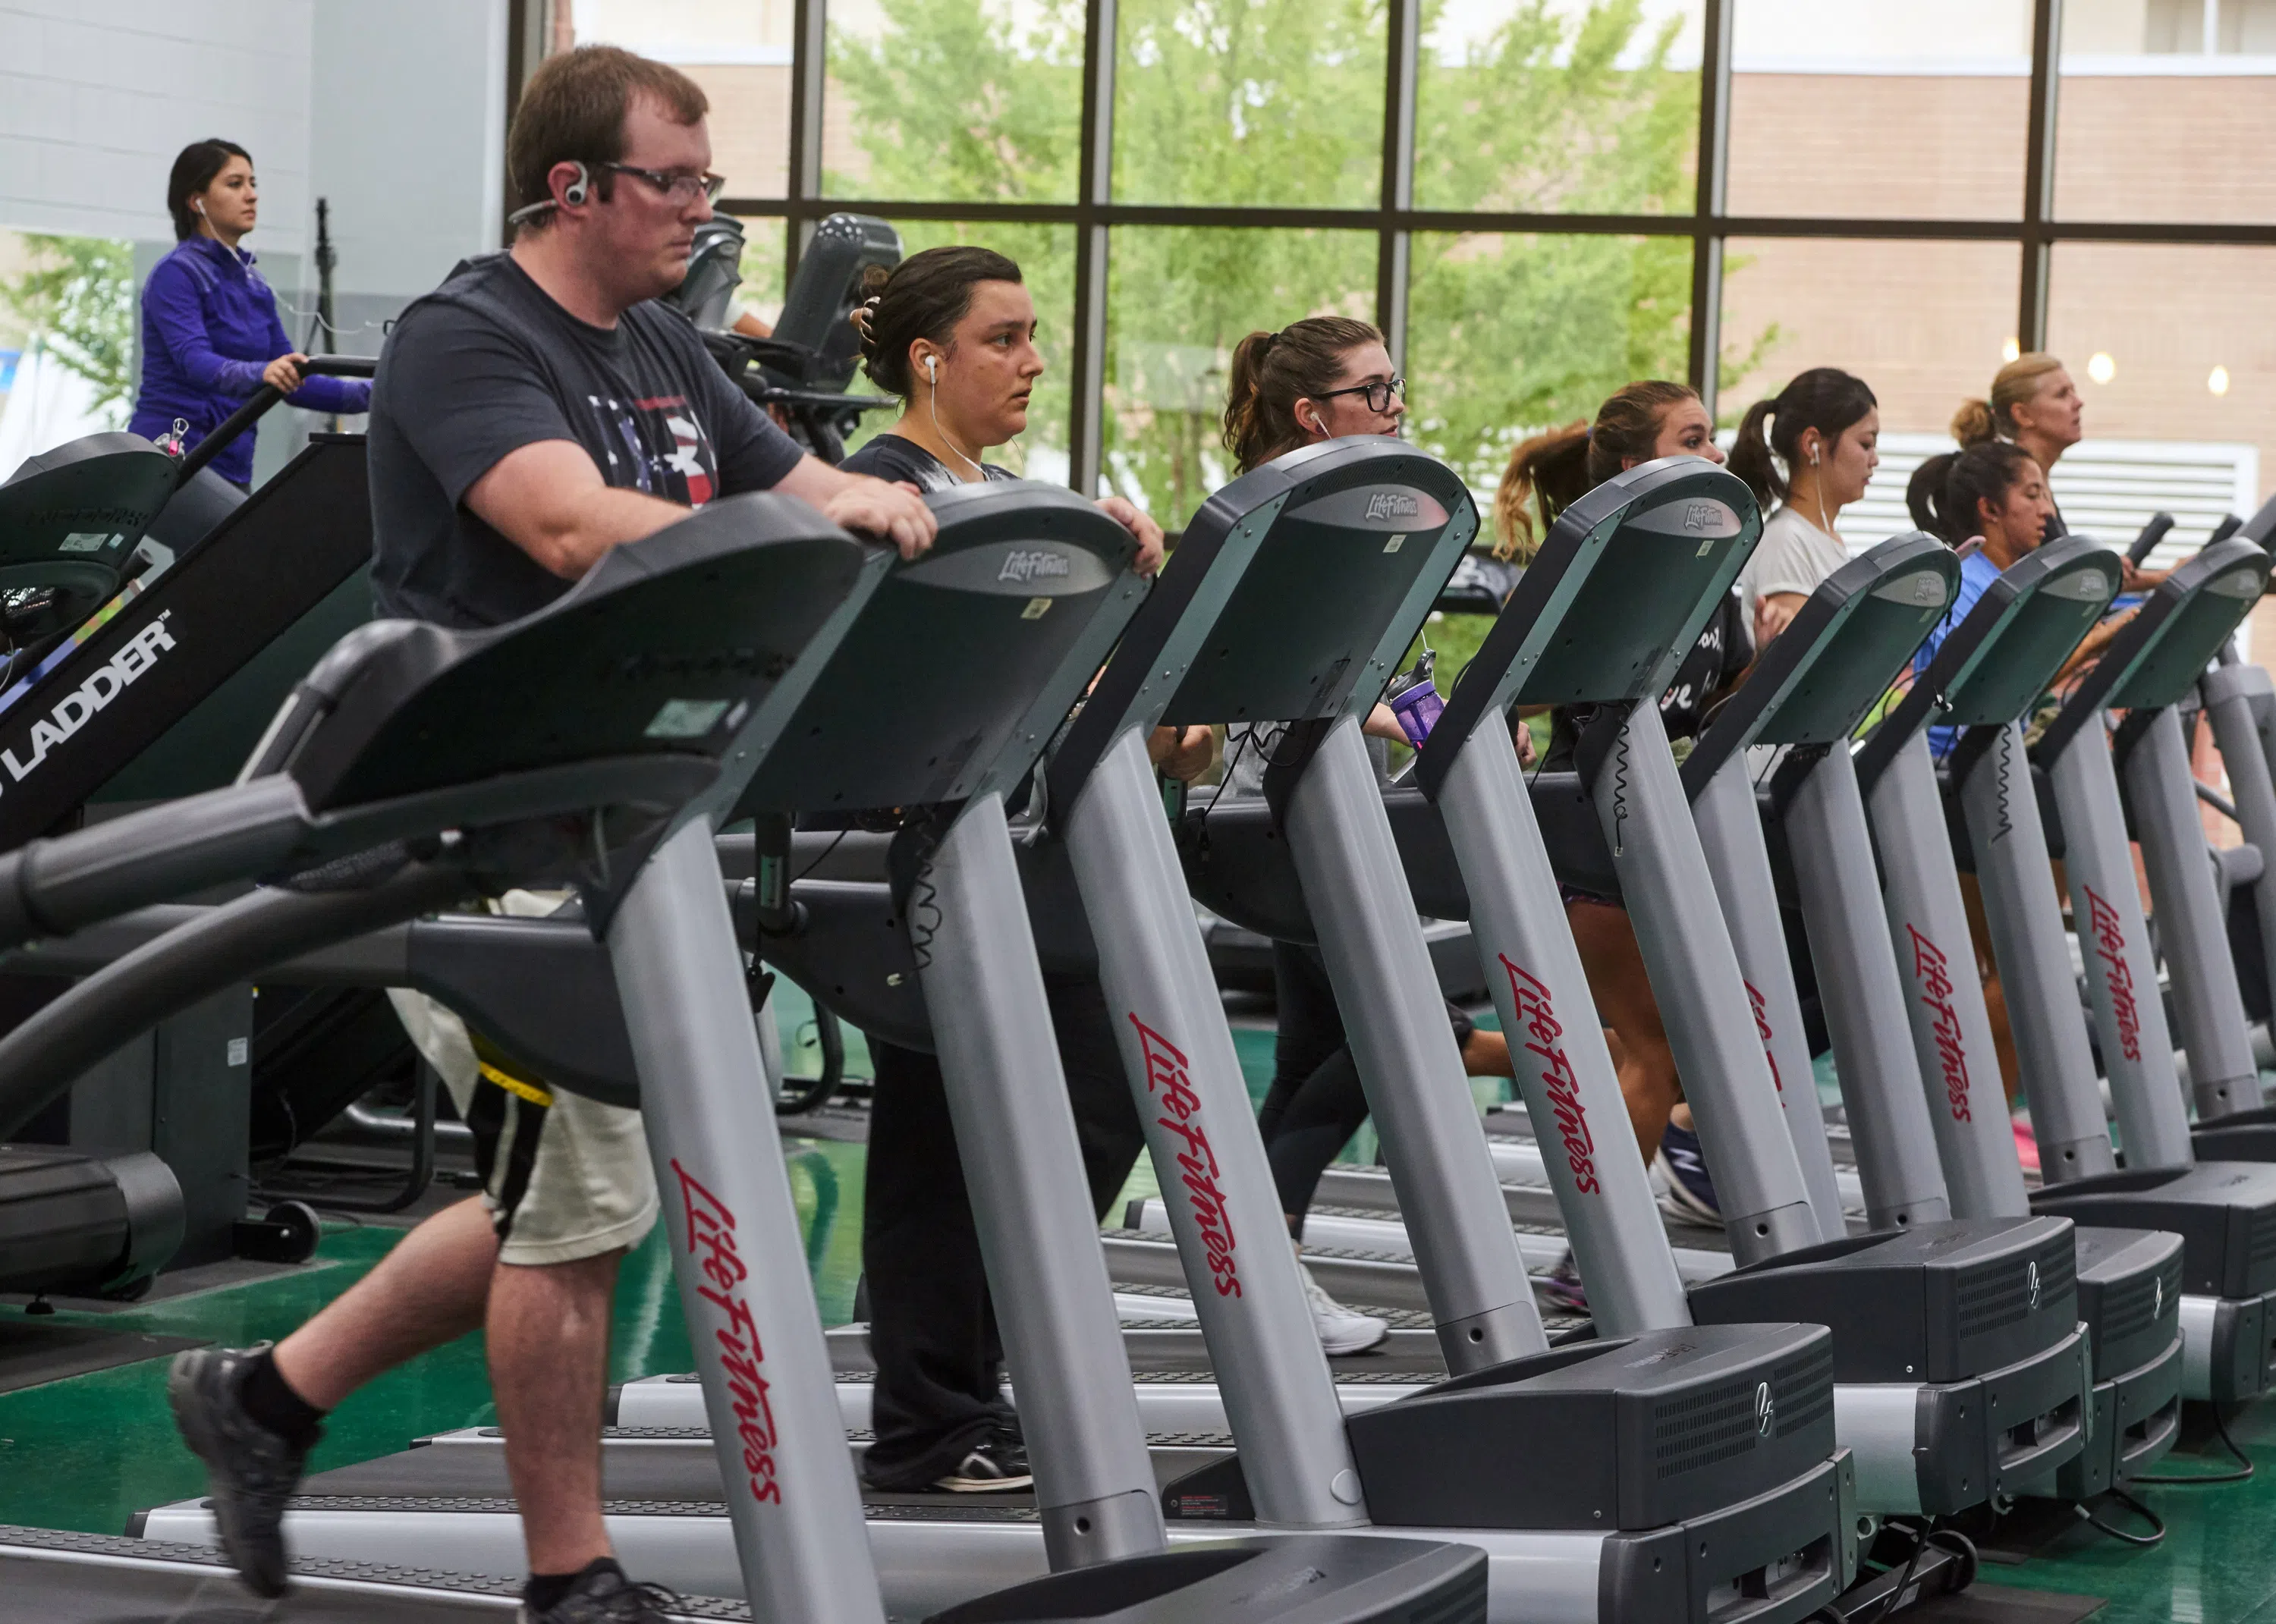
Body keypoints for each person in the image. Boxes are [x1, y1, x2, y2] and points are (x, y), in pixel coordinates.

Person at [165, 46, 936, 1624]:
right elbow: (571, 526)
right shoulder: (467, 338)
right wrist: (800, 518)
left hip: (621, 829)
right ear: (575, 188)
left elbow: (810, 480)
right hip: (477, 836)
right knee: (576, 1212)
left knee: (573, 1192)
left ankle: (269, 1396)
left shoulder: (663, 342)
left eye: (708, 182)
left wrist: (966, 514)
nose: (701, 210)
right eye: (678, 182)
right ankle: (567, 1577)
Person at [831, 243, 1195, 1495]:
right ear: (927, 359)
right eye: (1005, 338)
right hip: (910, 858)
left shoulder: (1011, 499)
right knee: (940, 1144)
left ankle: (966, 1374)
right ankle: (927, 1423)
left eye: (1035, 336)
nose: (1034, 360)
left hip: (1021, 856)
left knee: (1098, 1095)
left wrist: (1116, 585)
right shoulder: (880, 484)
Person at [1218, 316, 1517, 1350]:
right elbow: (1262, 677)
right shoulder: (1280, 516)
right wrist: (1386, 715)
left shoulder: (1367, 513)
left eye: (1397, 385)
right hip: (1282, 816)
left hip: (1341, 804)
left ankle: (1267, 1259)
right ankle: (1263, 1260)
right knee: (1388, 1035)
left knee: (1314, 1051)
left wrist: (1435, 715)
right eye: (1376, 391)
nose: (1397, 408)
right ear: (1315, 412)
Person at [1497, 382, 1746, 1273]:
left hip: (1658, 830)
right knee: (1656, 1047)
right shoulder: (1596, 571)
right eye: (1694, 439)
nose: (1716, 454)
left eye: (1713, 437)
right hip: (1583, 825)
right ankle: (1591, 1261)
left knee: (1665, 1044)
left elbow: (1726, 694)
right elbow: (1511, 685)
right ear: (1640, 467)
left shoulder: (1711, 575)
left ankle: (1598, 1246)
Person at [1904, 440, 2134, 1155]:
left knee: (2007, 966)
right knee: (2012, 965)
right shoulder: (1975, 582)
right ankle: (1973, 1129)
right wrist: (2107, 635)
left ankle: (1979, 1128)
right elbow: (1994, 681)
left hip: (1983, 783)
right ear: (1989, 509)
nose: (2046, 506)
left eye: (2044, 492)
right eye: (2031, 493)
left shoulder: (2003, 580)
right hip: (1950, 790)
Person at [129, 140, 373, 489]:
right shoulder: (176, 274)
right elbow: (196, 362)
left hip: (230, 464)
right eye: (235, 184)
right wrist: (265, 372)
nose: (251, 195)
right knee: (245, 544)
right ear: (196, 201)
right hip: (173, 456)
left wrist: (382, 391)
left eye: (252, 183)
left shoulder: (254, 283)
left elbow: (297, 380)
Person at [1727, 368, 1880, 646]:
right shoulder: (1787, 540)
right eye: (1865, 443)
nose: (1875, 460)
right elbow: (1806, 669)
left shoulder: (1818, 536)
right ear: (1812, 444)